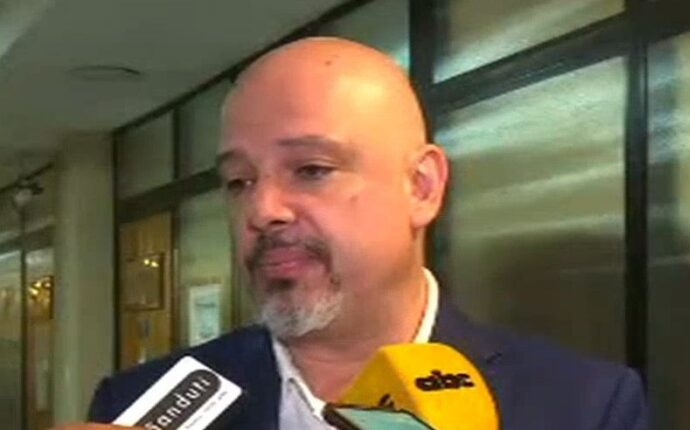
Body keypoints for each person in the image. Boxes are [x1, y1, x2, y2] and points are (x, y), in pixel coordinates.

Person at [52, 37, 647, 430]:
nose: (262, 209)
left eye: (311, 169)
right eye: (238, 181)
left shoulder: (583, 405)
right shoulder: (136, 405)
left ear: (422, 187)